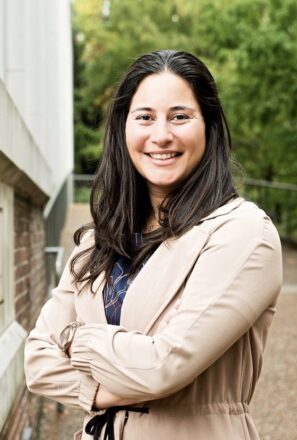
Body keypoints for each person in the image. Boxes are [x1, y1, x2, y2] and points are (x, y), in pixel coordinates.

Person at [24, 50, 282, 440]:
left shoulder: (243, 233)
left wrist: (74, 336)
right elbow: (37, 363)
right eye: (144, 117)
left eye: (180, 116)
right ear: (123, 129)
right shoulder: (100, 240)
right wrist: (105, 387)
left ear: (209, 126)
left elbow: (164, 367)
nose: (161, 135)